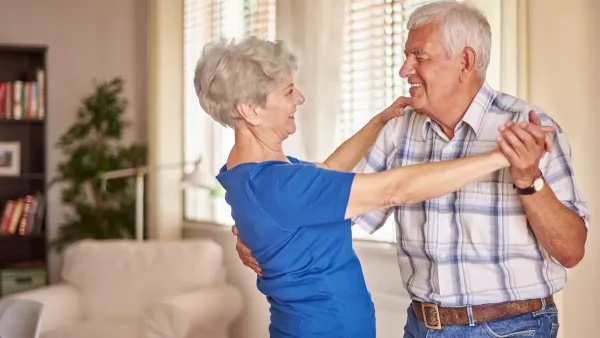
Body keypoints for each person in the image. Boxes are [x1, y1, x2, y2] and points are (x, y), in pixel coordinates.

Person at [232, 1, 589, 338]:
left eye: (419, 56)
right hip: (421, 325)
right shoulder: (399, 131)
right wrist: (260, 232)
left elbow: (571, 250)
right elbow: (329, 200)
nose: (405, 70)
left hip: (509, 328)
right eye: (406, 55)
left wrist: (530, 181)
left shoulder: (529, 130)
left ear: (465, 61)